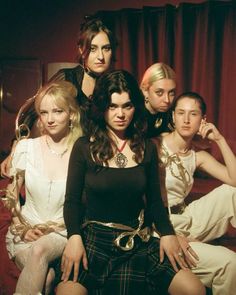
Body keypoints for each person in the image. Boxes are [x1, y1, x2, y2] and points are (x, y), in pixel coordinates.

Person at [55, 70, 205, 295]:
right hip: (95, 241)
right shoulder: (84, 147)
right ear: (102, 107)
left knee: (194, 289)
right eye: (112, 106)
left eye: (127, 106)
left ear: (136, 106)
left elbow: (155, 202)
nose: (120, 114)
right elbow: (72, 201)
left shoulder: (147, 148)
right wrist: (74, 237)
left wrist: (167, 234)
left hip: (138, 241)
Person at [0, 16, 117, 177]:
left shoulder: (115, 84)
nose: (100, 56)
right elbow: (31, 113)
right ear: (81, 50)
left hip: (104, 163)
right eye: (93, 48)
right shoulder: (67, 78)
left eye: (106, 48)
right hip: (71, 163)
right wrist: (14, 150)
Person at [153, 91, 236, 295]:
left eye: (193, 114)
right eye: (181, 113)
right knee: (230, 262)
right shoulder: (154, 145)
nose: (186, 120)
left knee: (231, 191)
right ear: (172, 116)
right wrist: (170, 234)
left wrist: (220, 139)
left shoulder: (197, 155)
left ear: (203, 120)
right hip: (160, 224)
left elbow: (234, 179)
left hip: (186, 216)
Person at [4, 81, 82, 294]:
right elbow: (11, 195)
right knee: (46, 279)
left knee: (41, 249)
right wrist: (23, 227)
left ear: (71, 114)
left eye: (57, 111)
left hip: (61, 232)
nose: (50, 119)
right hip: (25, 232)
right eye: (44, 112)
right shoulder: (26, 147)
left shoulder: (82, 151)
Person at [140, 62, 176, 138]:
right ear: (145, 91)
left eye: (171, 93)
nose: (167, 100)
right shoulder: (134, 114)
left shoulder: (172, 114)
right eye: (159, 92)